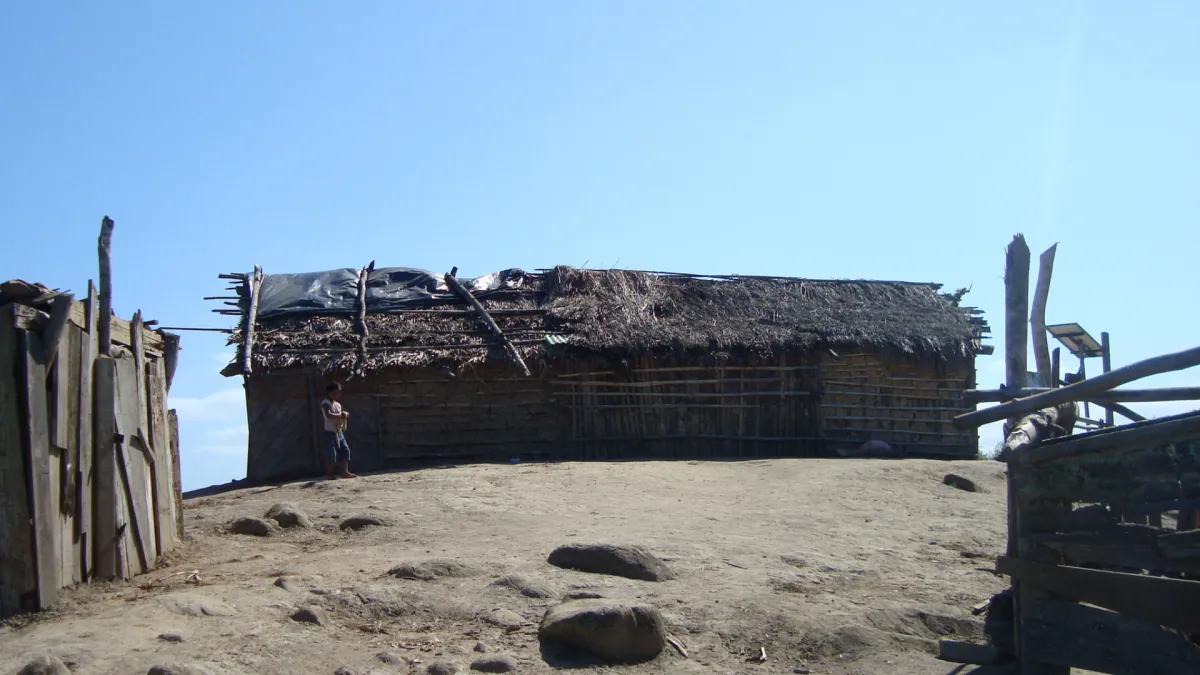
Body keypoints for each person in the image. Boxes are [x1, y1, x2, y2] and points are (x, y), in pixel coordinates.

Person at [320, 382, 357, 479]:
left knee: (345, 450)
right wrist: (341, 416)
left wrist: (345, 416)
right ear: (328, 393)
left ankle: (345, 472)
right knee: (331, 453)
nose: (336, 395)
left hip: (338, 431)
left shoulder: (337, 405)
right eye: (334, 393)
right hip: (329, 431)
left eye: (337, 393)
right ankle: (330, 474)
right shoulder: (325, 403)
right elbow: (328, 415)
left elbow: (340, 417)